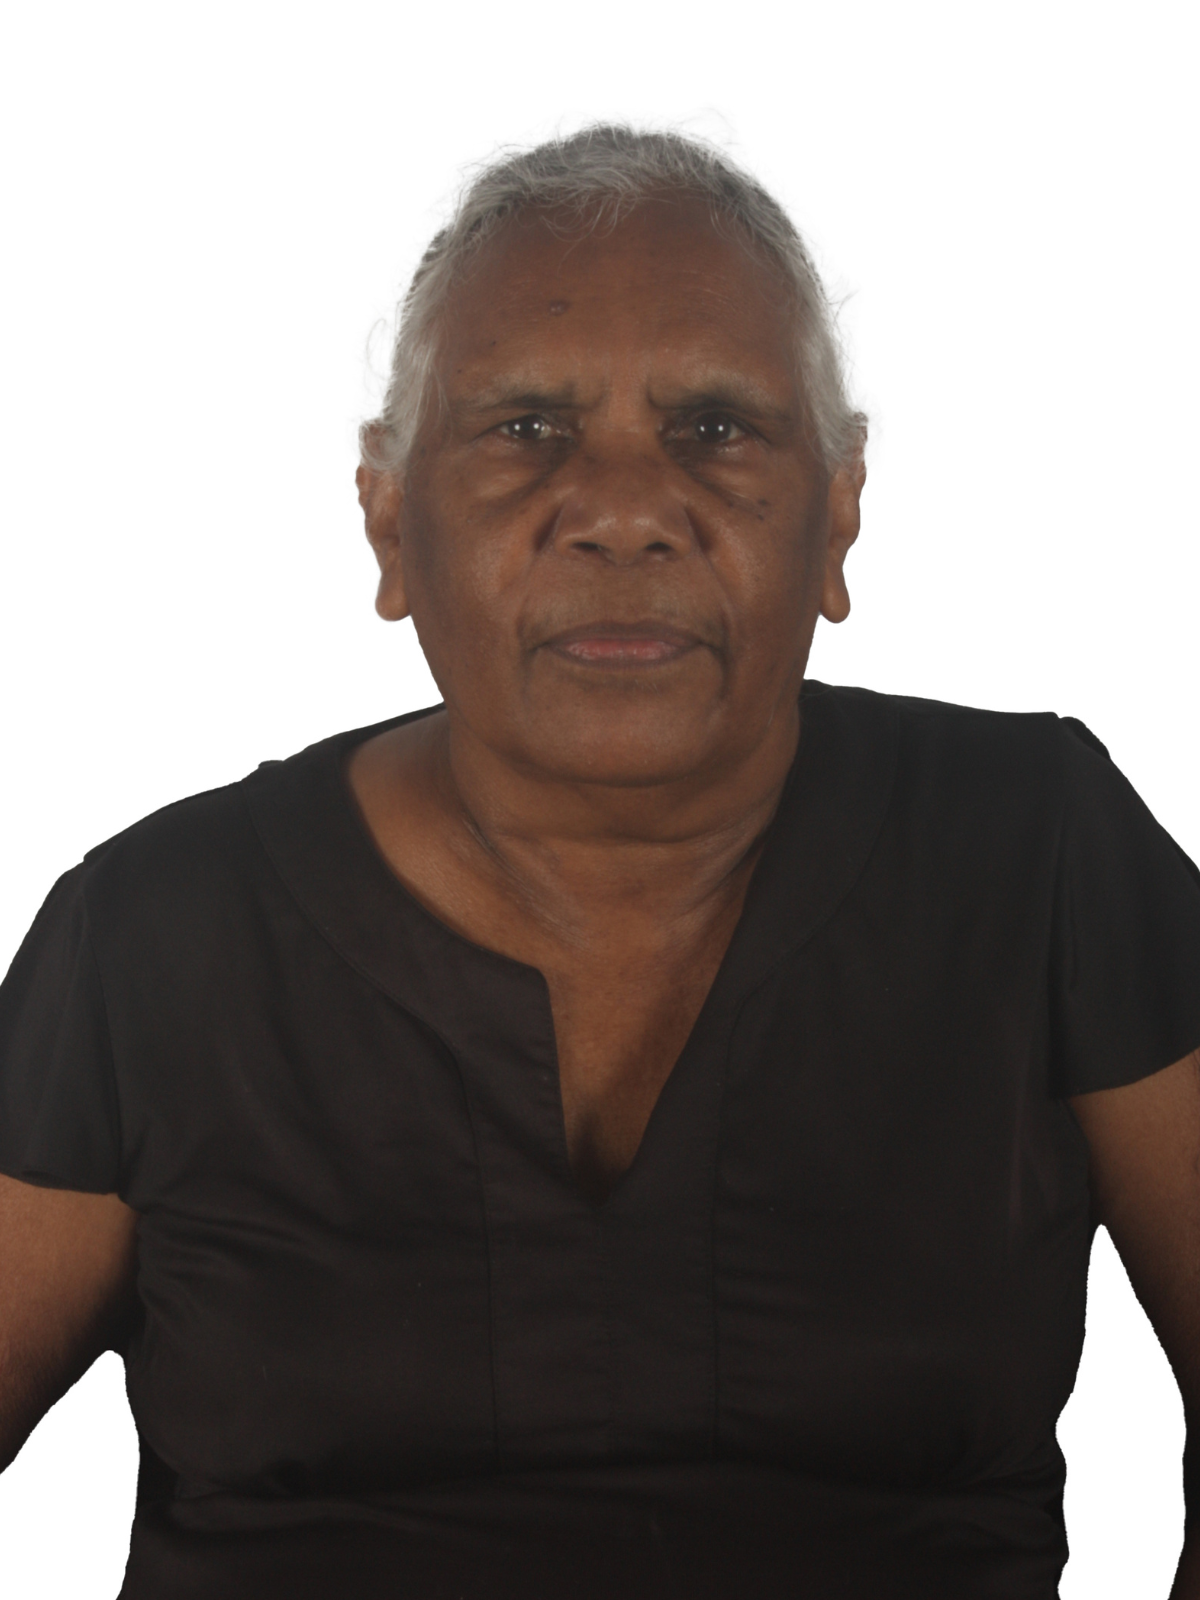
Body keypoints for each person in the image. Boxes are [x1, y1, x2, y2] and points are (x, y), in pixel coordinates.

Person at [1, 125, 1199, 1600]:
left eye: (716, 427)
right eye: (524, 428)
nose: (625, 512)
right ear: (388, 518)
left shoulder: (1035, 850)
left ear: (839, 510)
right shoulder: (155, 937)